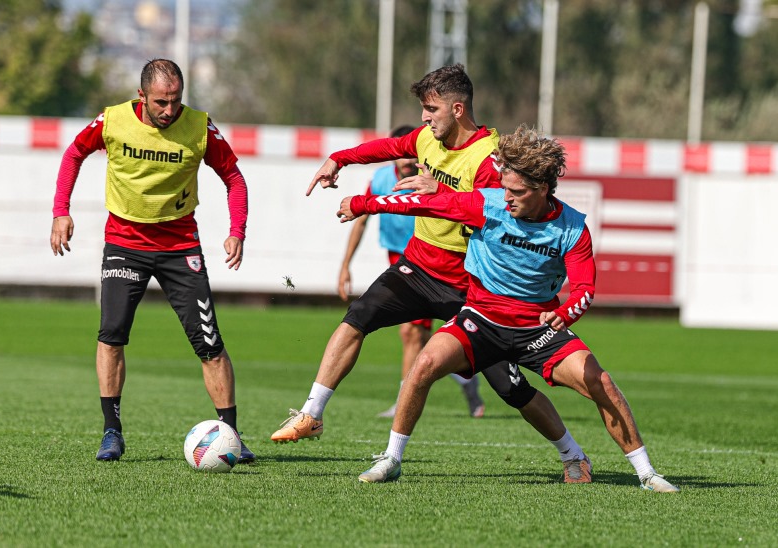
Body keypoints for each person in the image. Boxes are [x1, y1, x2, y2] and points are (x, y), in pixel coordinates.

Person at [272, 64, 591, 484]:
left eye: (431, 109)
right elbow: (386, 147)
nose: (424, 118)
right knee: (357, 319)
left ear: (457, 109)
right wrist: (338, 160)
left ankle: (573, 455)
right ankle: (311, 414)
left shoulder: (489, 159)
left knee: (511, 387)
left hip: (470, 287)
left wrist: (434, 193)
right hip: (418, 265)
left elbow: (483, 213)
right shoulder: (425, 138)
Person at [337, 124, 680, 493]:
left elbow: (585, 289)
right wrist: (363, 203)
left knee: (601, 382)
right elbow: (426, 203)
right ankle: (391, 460)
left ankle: (647, 474)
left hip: (540, 329)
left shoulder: (573, 228)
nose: (507, 197)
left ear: (543, 189)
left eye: (516, 192)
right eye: (504, 188)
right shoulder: (488, 203)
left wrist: (565, 315)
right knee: (425, 365)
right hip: (481, 320)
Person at [50, 58, 255, 464]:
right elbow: (73, 154)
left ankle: (231, 435)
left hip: (181, 246)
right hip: (125, 242)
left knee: (210, 343)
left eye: (176, 101)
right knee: (111, 335)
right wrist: (61, 210)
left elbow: (233, 176)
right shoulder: (111, 121)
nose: (169, 110)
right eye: (161, 102)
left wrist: (237, 230)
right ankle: (112, 432)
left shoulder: (199, 126)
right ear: (141, 96)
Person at [338, 124, 485, 420]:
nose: (407, 163)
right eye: (402, 158)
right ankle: (465, 378)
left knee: (412, 333)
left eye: (411, 158)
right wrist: (345, 265)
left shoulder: (433, 179)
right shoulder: (380, 180)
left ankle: (405, 399)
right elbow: (362, 220)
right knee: (417, 335)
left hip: (437, 265)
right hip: (402, 259)